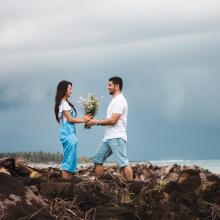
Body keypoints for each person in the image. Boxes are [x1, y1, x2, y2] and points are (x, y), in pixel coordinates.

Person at [86, 76, 133, 181]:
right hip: (108, 137)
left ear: (117, 86)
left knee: (123, 163)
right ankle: (99, 185)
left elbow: (113, 120)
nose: (107, 87)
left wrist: (95, 122)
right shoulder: (115, 100)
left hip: (117, 137)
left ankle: (131, 188)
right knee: (98, 159)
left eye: (110, 85)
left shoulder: (120, 100)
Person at [54, 80, 91, 180]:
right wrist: (84, 120)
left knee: (71, 162)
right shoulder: (64, 104)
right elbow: (70, 119)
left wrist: (84, 118)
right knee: (68, 162)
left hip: (70, 134)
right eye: (70, 88)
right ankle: (65, 185)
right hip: (68, 135)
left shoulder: (65, 103)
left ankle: (68, 183)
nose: (71, 91)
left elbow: (70, 119)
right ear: (64, 89)